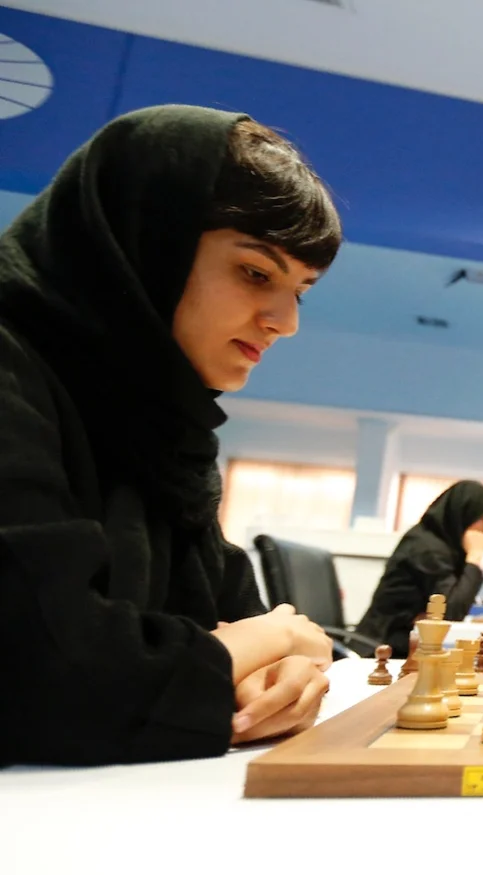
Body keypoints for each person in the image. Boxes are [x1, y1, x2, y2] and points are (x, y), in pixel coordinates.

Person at [0, 105, 343, 766]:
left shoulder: (166, 429)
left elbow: (250, 623)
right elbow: (46, 667)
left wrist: (289, 667)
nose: (285, 322)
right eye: (255, 273)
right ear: (143, 241)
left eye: (301, 290)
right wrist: (247, 650)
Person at [356, 481, 483, 657]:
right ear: (463, 514)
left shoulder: (441, 546)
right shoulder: (426, 548)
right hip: (382, 650)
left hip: (406, 644)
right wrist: (475, 557)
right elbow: (451, 614)